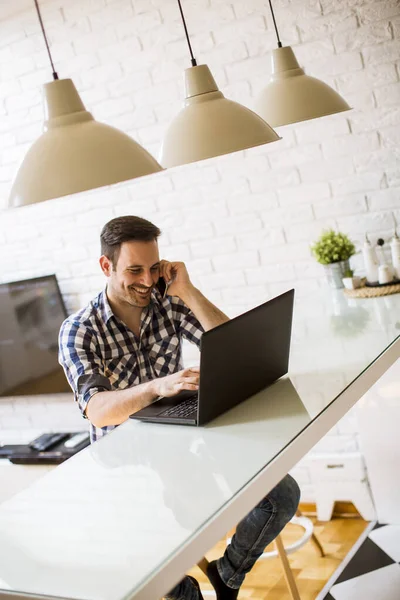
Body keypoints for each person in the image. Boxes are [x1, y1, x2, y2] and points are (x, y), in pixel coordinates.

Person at [59, 215, 300, 600]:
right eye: (134, 270)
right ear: (106, 266)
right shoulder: (80, 330)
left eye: (153, 268)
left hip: (183, 449)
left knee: (281, 496)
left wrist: (187, 291)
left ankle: (228, 575)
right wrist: (159, 386)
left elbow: (238, 351)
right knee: (160, 579)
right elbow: (99, 410)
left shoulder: (166, 303)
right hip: (128, 473)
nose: (146, 280)